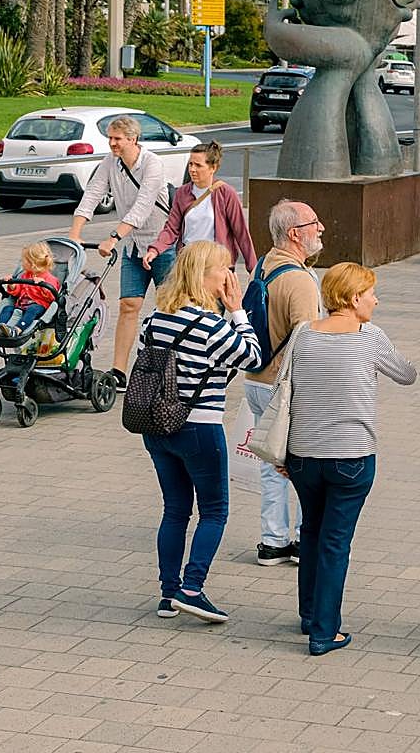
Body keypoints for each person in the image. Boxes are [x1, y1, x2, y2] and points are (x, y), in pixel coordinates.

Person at [284, 263, 417, 655]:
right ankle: (324, 632)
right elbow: (407, 374)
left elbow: (284, 388)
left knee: (311, 530)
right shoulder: (369, 336)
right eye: (371, 293)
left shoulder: (303, 334)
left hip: (303, 453)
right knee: (335, 541)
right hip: (351, 455)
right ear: (354, 298)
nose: (376, 300)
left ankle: (309, 613)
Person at [140, 241, 263, 622]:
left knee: (175, 509)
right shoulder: (210, 326)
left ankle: (168, 593)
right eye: (224, 269)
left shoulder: (155, 319)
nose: (230, 276)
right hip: (200, 428)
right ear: (202, 276)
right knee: (214, 511)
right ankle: (192, 589)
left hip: (158, 426)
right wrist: (239, 312)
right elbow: (252, 357)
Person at [244, 200, 324, 567]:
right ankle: (306, 540)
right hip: (285, 387)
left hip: (256, 380)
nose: (321, 228)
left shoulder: (263, 265)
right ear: (295, 234)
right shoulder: (300, 280)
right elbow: (309, 344)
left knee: (271, 463)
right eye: (314, 223)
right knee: (304, 466)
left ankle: (273, 540)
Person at [68, 115, 172, 392]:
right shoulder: (110, 163)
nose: (112, 143)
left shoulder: (152, 164)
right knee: (129, 305)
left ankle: (169, 369)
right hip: (133, 247)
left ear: (133, 139)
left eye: (117, 139)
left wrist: (113, 237)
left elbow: (143, 206)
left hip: (161, 244)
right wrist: (74, 235)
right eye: (110, 138)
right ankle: (119, 371)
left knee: (170, 309)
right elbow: (91, 195)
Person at [145, 141, 257, 273]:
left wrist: (253, 269)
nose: (192, 169)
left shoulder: (226, 193)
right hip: (189, 263)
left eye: (198, 165)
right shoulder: (182, 193)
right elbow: (171, 228)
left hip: (216, 265)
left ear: (213, 168)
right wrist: (155, 249)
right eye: (191, 164)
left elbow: (241, 233)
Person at [0, 241, 61, 336]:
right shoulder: (25, 276)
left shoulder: (50, 279)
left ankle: (17, 329)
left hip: (38, 307)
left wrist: (43, 286)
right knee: (7, 308)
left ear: (33, 263)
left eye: (24, 260)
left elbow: (52, 298)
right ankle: (0, 328)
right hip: (20, 306)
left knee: (32, 309)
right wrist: (12, 284)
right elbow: (17, 292)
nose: (21, 263)